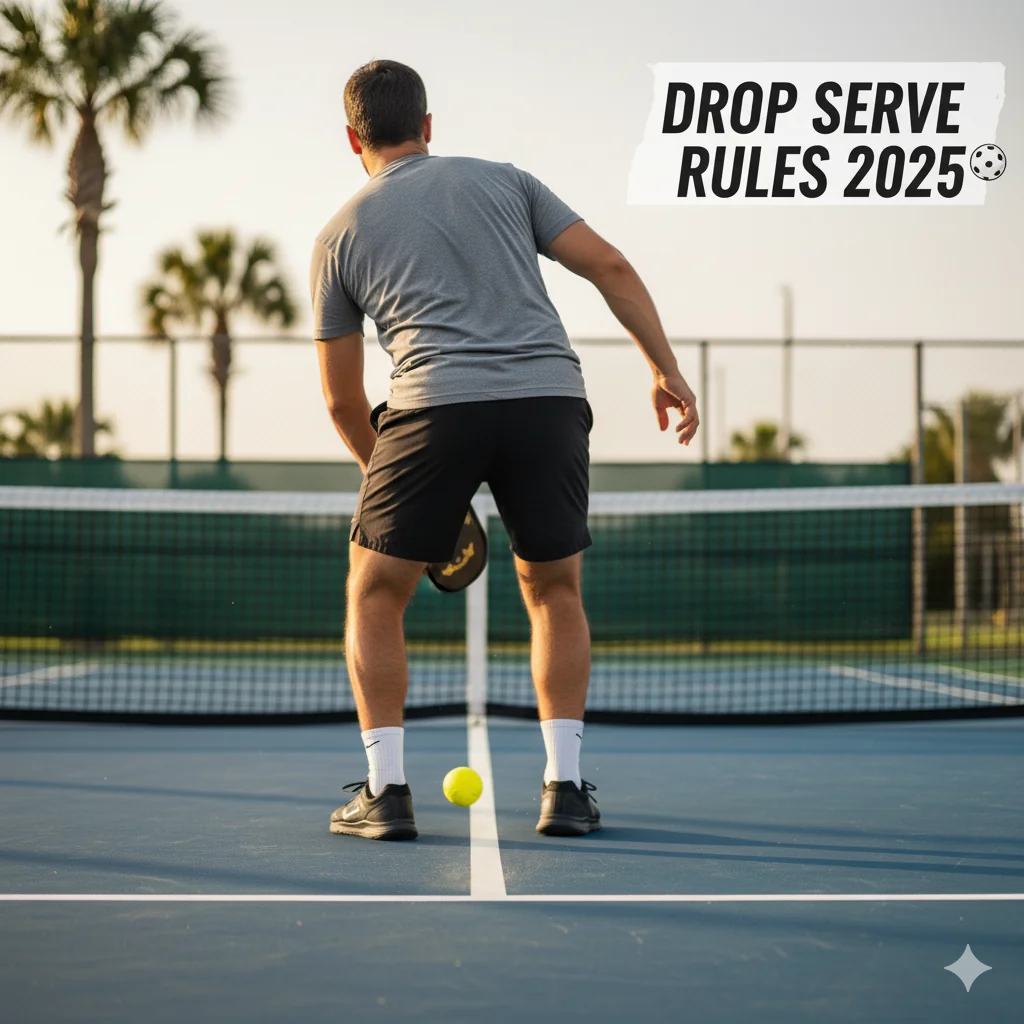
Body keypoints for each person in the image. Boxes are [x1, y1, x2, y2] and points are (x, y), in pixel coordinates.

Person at [311, 59, 698, 841]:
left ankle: (386, 794)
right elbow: (611, 265)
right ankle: (566, 788)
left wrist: (389, 483)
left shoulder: (337, 236)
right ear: (428, 126)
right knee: (554, 589)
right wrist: (665, 368)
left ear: (352, 138)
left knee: (375, 591)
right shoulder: (509, 182)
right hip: (548, 402)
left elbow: (343, 402)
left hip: (429, 408)